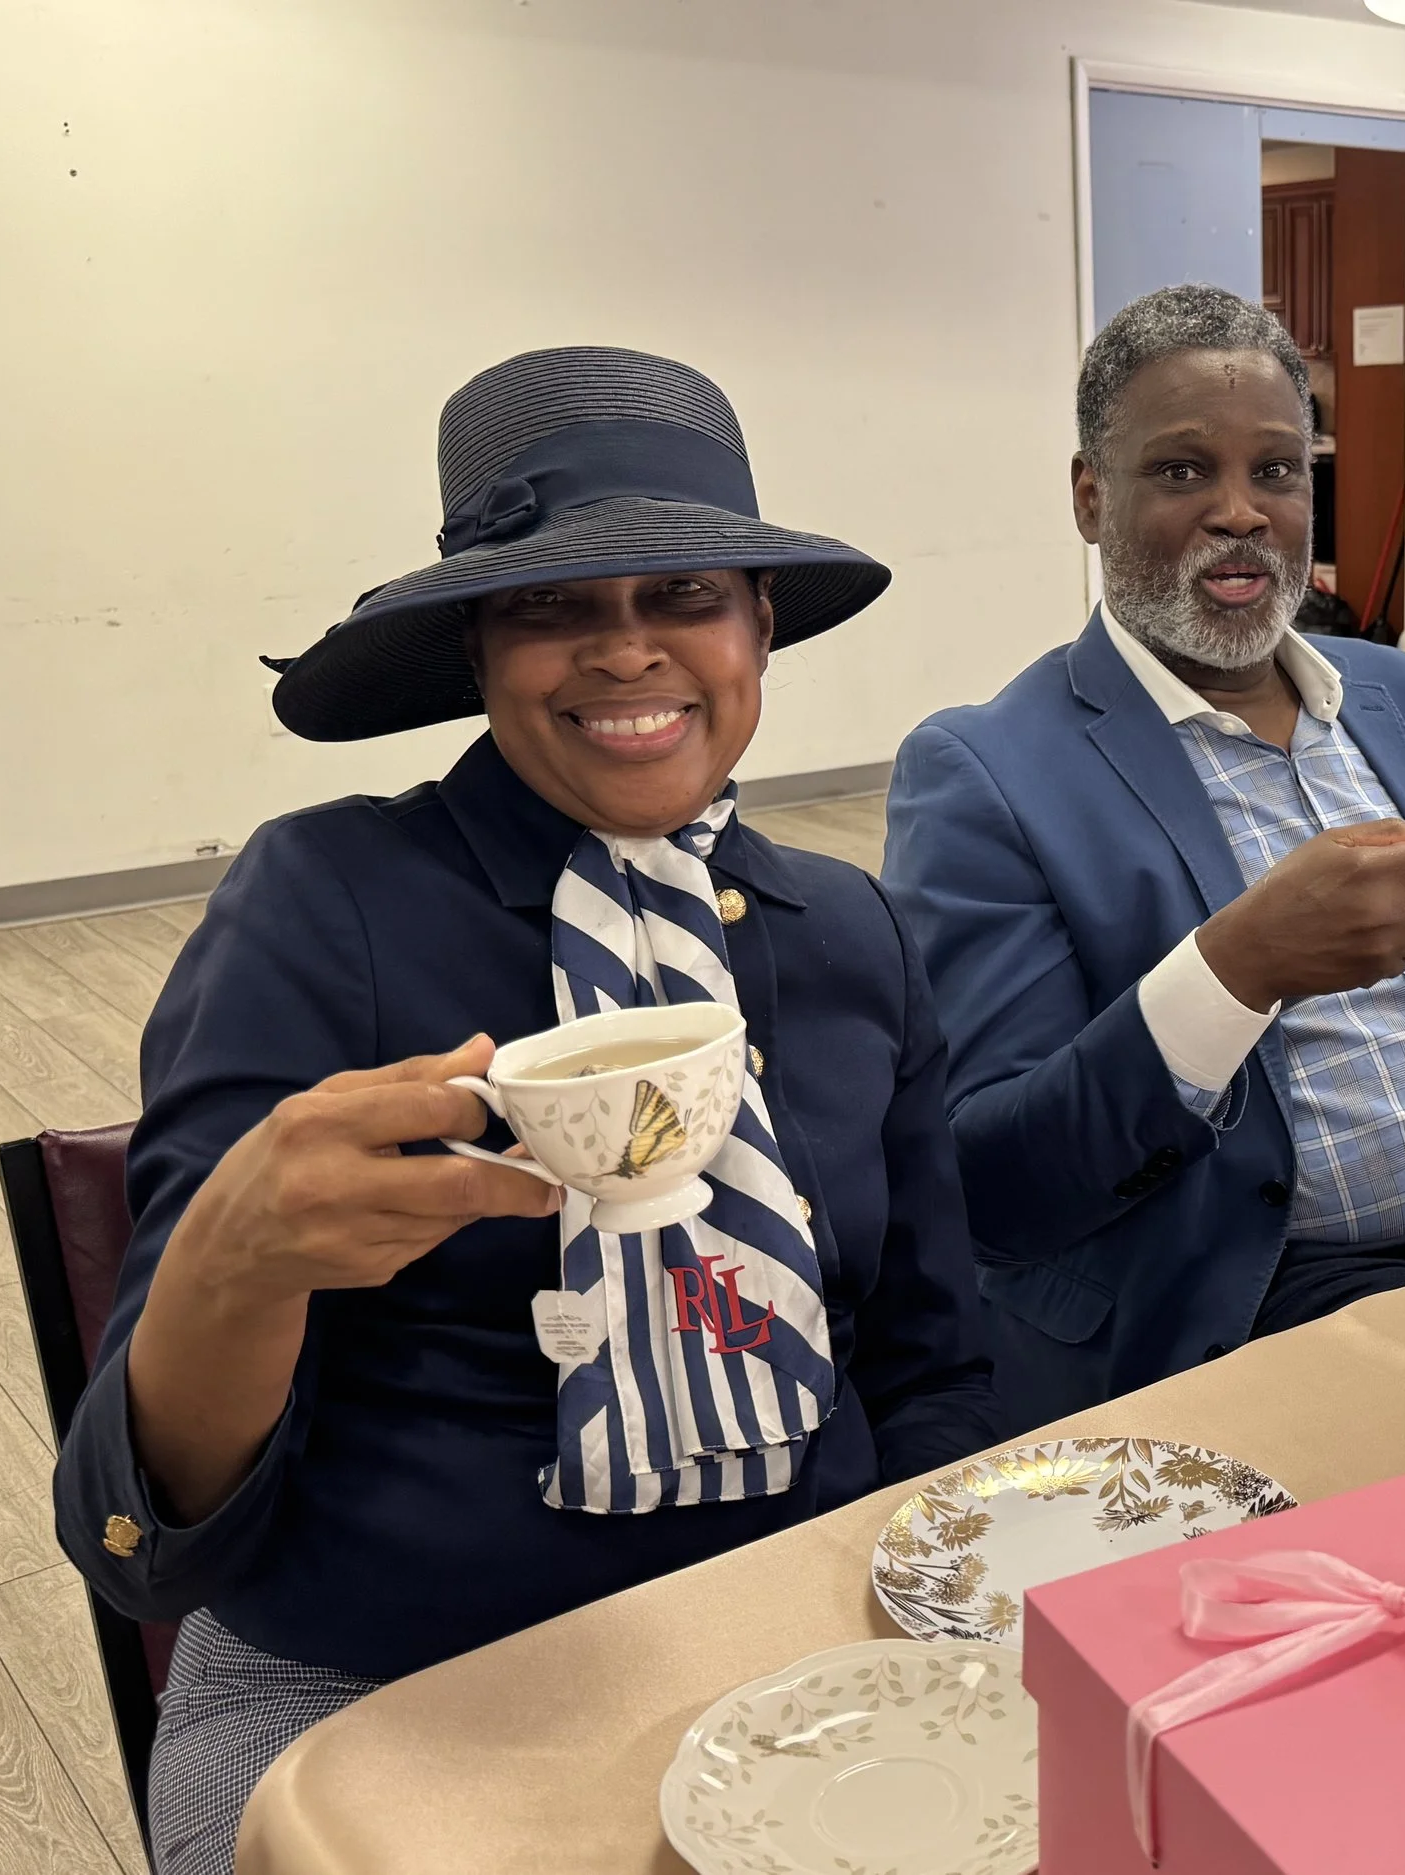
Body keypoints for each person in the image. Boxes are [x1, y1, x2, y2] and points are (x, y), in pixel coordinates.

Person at [51, 347, 999, 1873]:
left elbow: (933, 1358)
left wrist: (920, 1623)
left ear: (760, 627)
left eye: (684, 593)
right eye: (554, 606)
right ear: (479, 651)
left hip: (801, 1621)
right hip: (385, 1675)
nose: (627, 654)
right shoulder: (321, 903)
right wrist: (241, 1255)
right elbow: (143, 1530)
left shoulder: (852, 932)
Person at [883, 284, 1405, 1431]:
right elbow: (995, 1183)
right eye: (1179, 473)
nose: (1240, 514)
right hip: (1282, 1291)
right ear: (1087, 496)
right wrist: (1234, 969)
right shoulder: (984, 772)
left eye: (1275, 471)